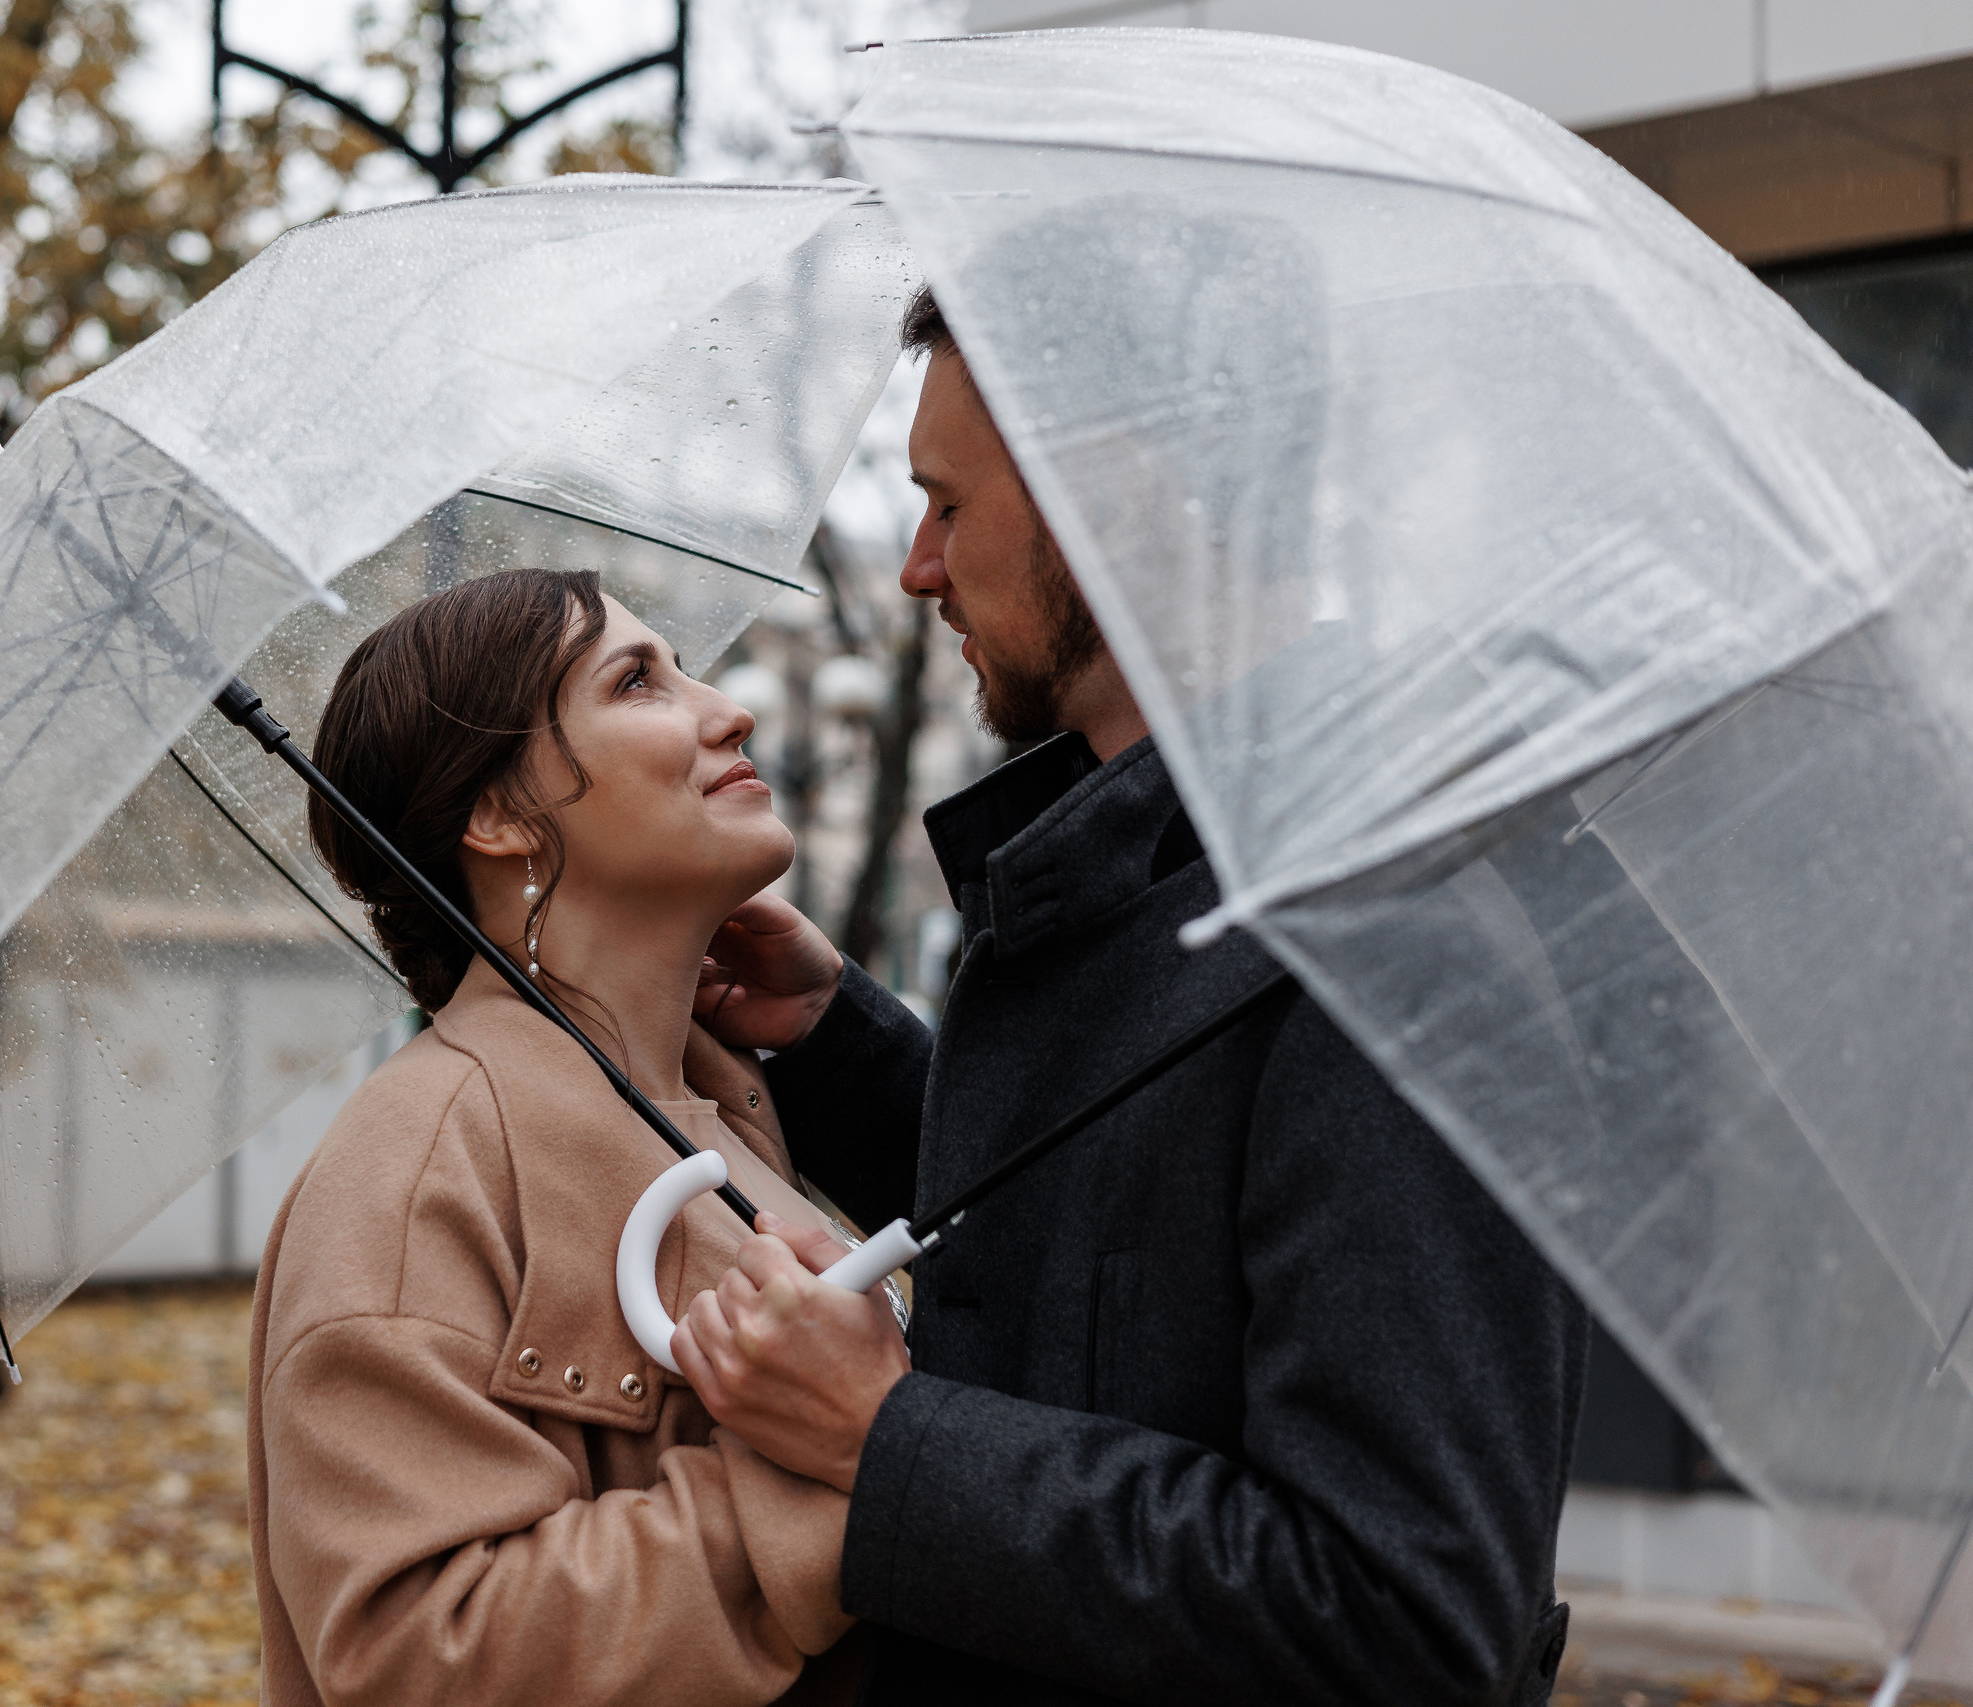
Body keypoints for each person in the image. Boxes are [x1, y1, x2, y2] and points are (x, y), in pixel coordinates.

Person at [673, 287, 1591, 1706]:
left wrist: (889, 1435)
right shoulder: (1171, 871)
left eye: (946, 502)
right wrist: (835, 1038)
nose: (918, 565)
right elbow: (1139, 1239)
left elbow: (1404, 1619)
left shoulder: (1388, 938)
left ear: (1117, 502)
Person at [245, 567, 875, 1706]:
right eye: (637, 682)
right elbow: (417, 1652)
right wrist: (855, 1470)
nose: (723, 707)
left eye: (680, 667)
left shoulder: (727, 1104)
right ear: (498, 815)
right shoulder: (418, 1168)